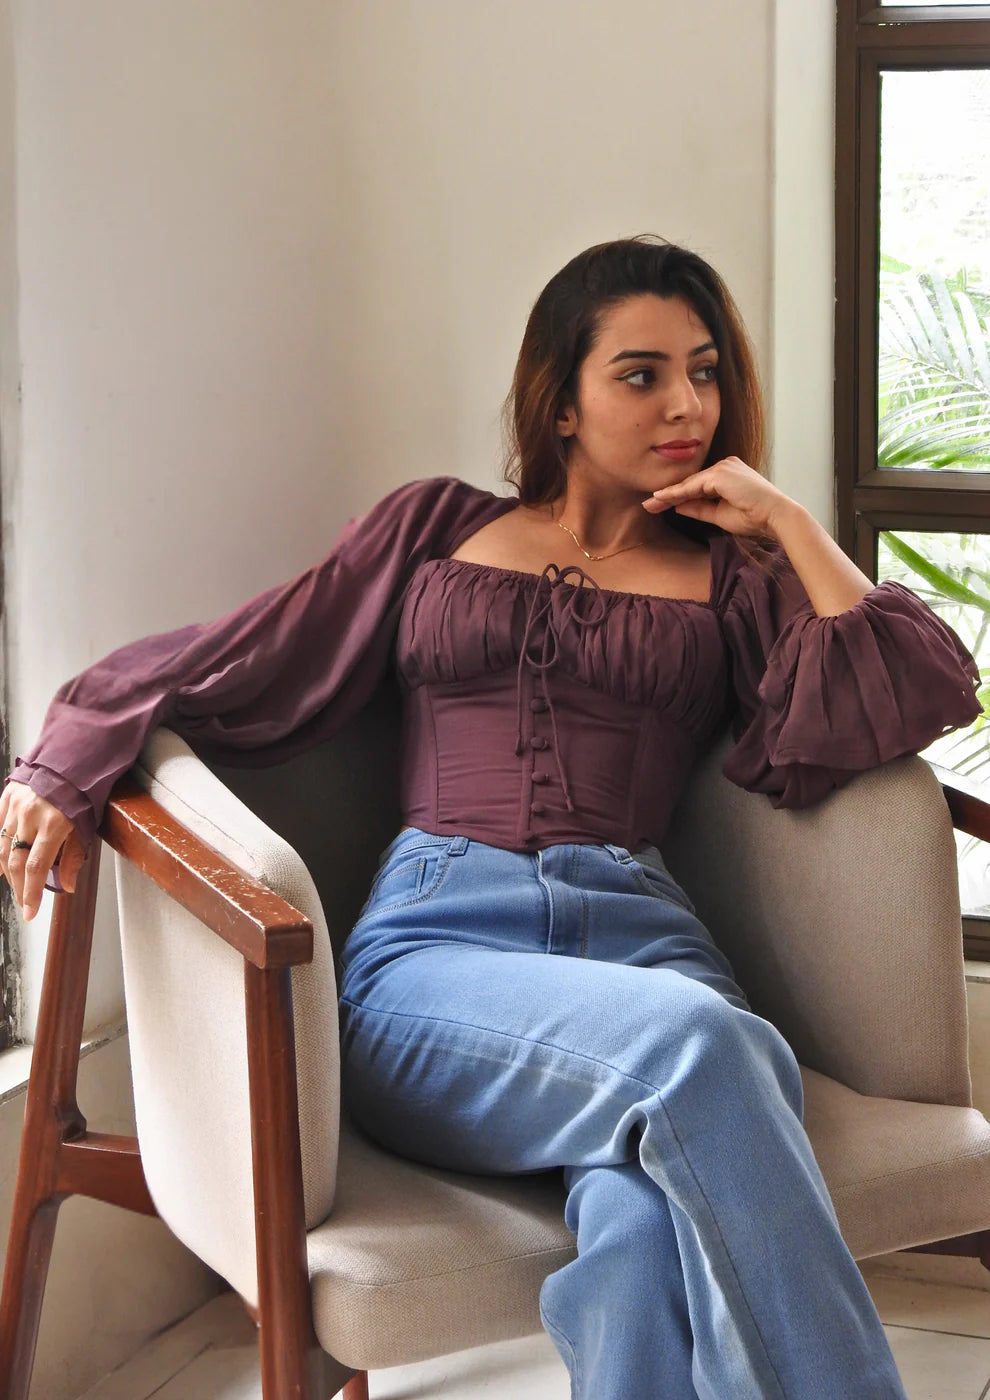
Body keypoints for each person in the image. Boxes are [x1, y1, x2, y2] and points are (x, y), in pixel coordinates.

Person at [1, 236, 982, 1398]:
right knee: (710, 1048)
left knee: (639, 1231)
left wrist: (786, 523)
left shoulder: (733, 582)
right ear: (560, 399)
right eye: (642, 374)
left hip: (646, 943)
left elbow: (916, 682)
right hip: (438, 948)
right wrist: (68, 756)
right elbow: (241, 654)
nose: (687, 404)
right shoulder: (435, 529)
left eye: (706, 371)